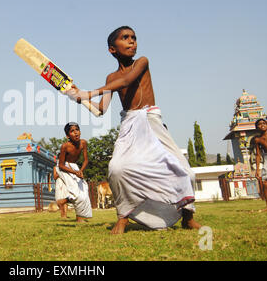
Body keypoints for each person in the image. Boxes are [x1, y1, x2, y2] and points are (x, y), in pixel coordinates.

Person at [66, 26, 201, 233]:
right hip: (129, 124)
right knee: (117, 169)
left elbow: (127, 81)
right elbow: (101, 109)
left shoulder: (142, 62)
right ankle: (123, 217)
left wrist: (87, 93)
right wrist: (79, 97)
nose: (132, 41)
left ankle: (188, 216)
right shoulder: (110, 78)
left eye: (134, 38)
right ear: (112, 49)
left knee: (184, 170)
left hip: (151, 120)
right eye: (125, 38)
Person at [54, 122, 92, 222]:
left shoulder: (83, 143)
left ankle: (65, 202)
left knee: (84, 190)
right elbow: (61, 165)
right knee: (75, 192)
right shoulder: (65, 146)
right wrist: (75, 173)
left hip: (75, 167)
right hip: (64, 167)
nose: (76, 133)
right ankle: (78, 218)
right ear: (67, 135)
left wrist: (80, 171)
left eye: (77, 130)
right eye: (72, 131)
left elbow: (86, 160)